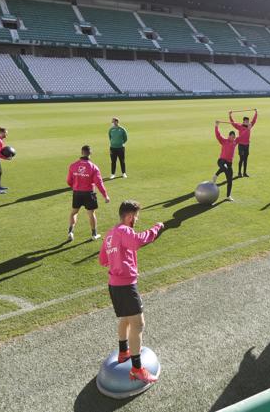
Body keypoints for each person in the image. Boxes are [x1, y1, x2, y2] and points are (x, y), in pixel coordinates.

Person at [99, 200, 164, 384]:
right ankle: (136, 368)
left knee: (126, 319)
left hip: (114, 285)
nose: (136, 221)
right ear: (129, 217)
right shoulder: (124, 230)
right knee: (138, 324)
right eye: (135, 217)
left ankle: (123, 351)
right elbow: (137, 242)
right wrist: (156, 228)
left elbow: (103, 260)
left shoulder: (110, 234)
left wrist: (117, 257)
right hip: (126, 286)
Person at [67, 145, 110, 242]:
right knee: (91, 213)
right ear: (90, 153)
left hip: (77, 193)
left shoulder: (73, 165)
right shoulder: (94, 167)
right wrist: (105, 195)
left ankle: (71, 232)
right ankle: (94, 234)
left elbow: (69, 181)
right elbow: (99, 183)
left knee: (74, 213)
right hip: (89, 193)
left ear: (81, 152)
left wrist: (74, 187)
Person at [229, 109, 258, 178]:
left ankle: (244, 173)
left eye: (248, 121)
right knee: (241, 159)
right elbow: (233, 123)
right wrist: (230, 115)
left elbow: (254, 120)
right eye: (246, 121)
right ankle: (239, 173)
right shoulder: (239, 126)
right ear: (243, 121)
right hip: (241, 145)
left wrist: (256, 113)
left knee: (245, 159)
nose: (247, 122)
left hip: (247, 145)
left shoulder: (250, 126)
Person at [213, 122, 238, 201]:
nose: (233, 138)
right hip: (221, 161)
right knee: (224, 167)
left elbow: (243, 134)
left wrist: (248, 128)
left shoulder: (235, 142)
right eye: (232, 137)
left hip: (229, 163)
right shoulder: (224, 141)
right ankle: (216, 175)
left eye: (234, 137)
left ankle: (228, 196)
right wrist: (216, 126)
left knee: (230, 180)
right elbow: (218, 135)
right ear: (229, 136)